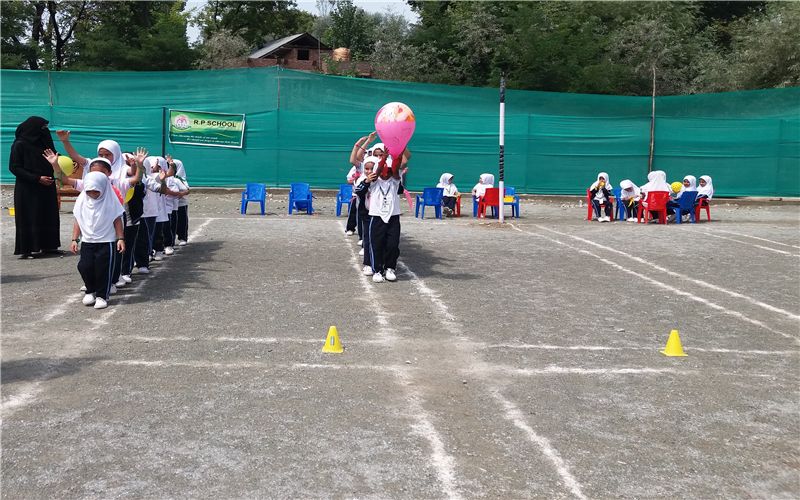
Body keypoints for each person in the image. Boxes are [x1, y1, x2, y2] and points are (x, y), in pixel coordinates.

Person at [70, 172, 125, 309]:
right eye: (89, 191)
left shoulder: (111, 200)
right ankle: (90, 290)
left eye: (96, 191)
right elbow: (78, 220)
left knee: (103, 269)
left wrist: (120, 238)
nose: (92, 194)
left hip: (107, 240)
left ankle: (102, 296)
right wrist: (75, 239)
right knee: (85, 265)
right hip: (88, 240)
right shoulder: (82, 200)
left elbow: (117, 220)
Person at [9, 116, 61, 258]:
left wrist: (71, 162)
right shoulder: (20, 144)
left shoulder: (44, 142)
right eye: (43, 128)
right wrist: (37, 178)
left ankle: (49, 246)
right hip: (28, 188)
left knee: (48, 214)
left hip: (47, 186)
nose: (45, 131)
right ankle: (27, 249)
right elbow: (14, 167)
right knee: (29, 216)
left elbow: (55, 156)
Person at [364, 154, 403, 283]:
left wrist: (399, 155)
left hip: (393, 217)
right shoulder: (374, 182)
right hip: (377, 217)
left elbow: (396, 170)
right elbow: (378, 170)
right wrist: (383, 159)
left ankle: (390, 268)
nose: (386, 174)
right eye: (384, 171)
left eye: (389, 171)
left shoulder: (395, 182)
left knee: (393, 244)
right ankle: (377, 270)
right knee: (376, 244)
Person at [353, 156, 377, 274]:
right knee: (367, 239)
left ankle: (381, 263)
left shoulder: (381, 180)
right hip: (366, 215)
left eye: (372, 168)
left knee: (379, 239)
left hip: (379, 214)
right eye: (367, 169)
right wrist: (367, 182)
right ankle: (368, 263)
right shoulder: (362, 180)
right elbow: (358, 191)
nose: (369, 171)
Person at [172, 159, 191, 246]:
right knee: (171, 223)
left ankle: (183, 237)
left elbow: (187, 190)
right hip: (171, 205)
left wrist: (181, 194)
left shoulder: (180, 178)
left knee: (182, 221)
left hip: (181, 204)